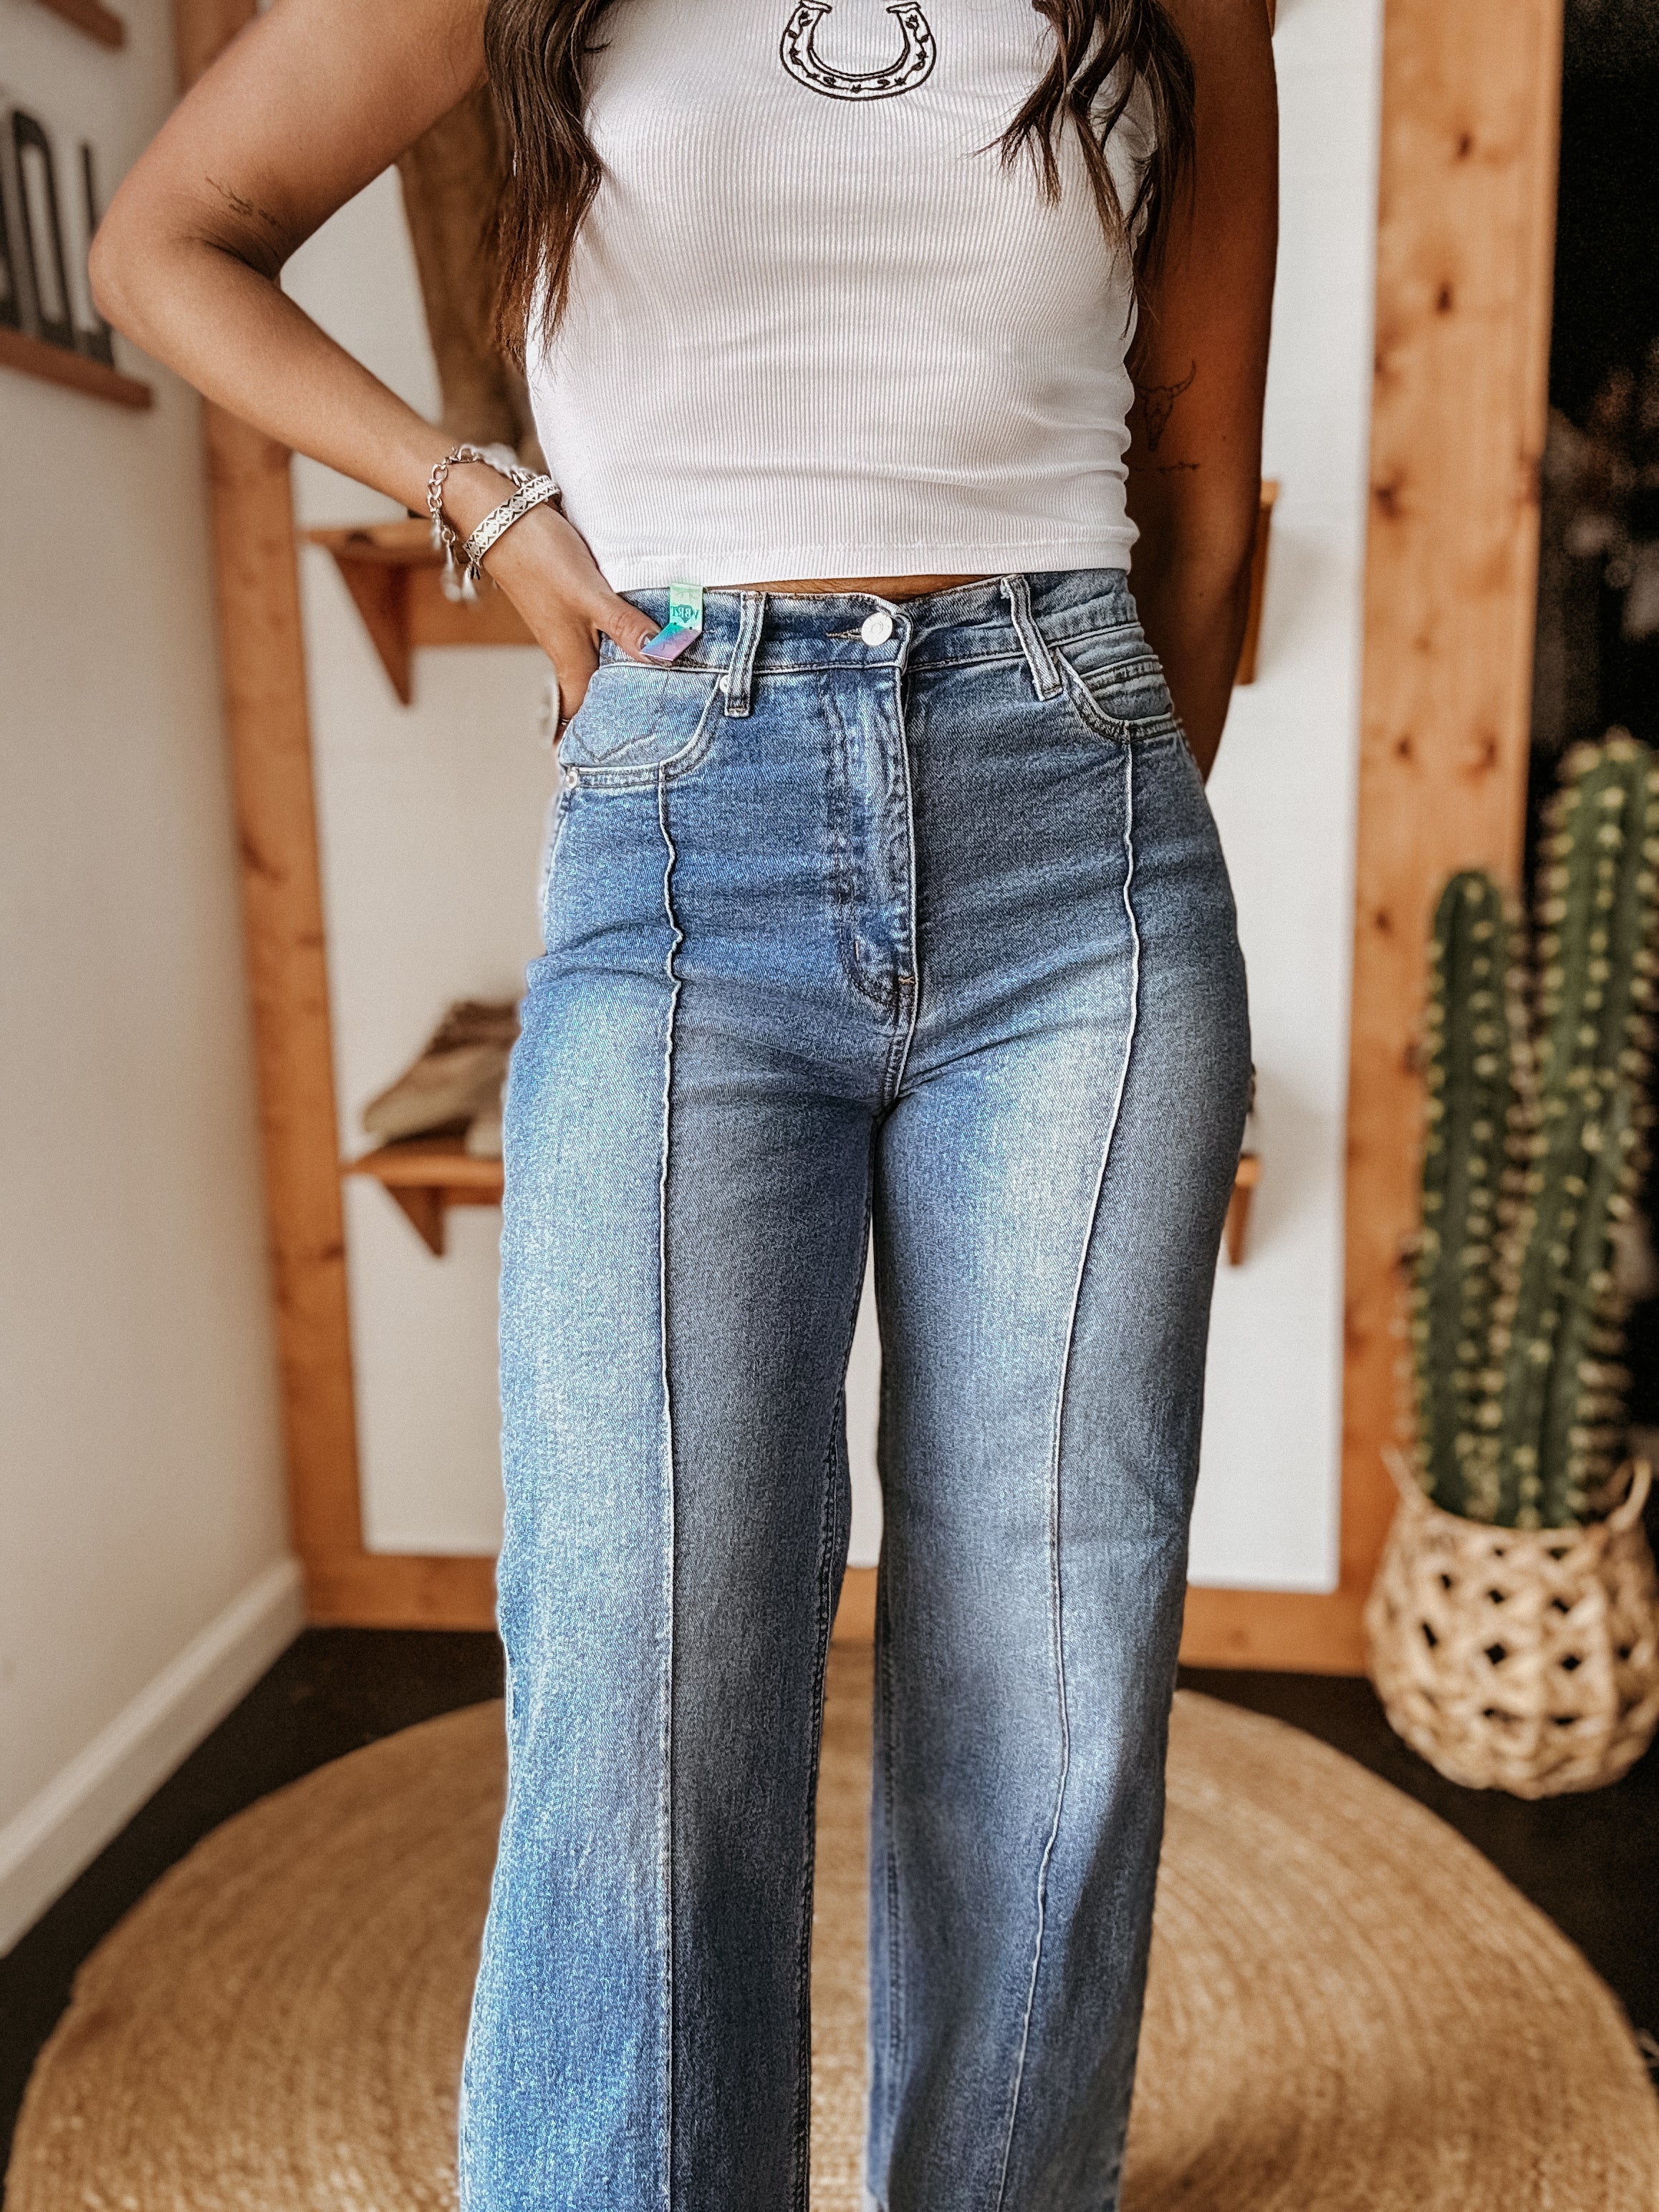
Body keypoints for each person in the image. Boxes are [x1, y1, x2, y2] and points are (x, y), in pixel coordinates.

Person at [92, 0, 1275, 2203]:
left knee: (1051, 1654)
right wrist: (477, 494)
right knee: (643, 1645)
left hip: (1077, 822)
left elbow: (1198, 503)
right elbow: (168, 239)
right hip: (685, 811)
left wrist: (1092, 819)